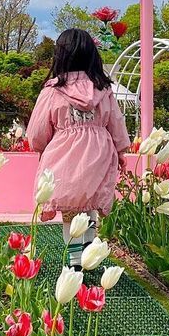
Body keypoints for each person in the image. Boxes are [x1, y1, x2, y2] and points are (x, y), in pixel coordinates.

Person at [26, 27, 131, 267]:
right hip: (99, 152)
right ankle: (89, 249)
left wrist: (41, 146)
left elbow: (38, 129)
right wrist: (121, 150)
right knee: (90, 202)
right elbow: (116, 120)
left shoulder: (53, 90)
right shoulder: (103, 89)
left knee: (71, 208)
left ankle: (74, 260)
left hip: (65, 153)